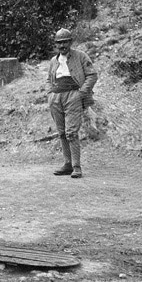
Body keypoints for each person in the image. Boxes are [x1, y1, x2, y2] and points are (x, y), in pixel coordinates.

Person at [47, 27, 98, 179]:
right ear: (55, 44)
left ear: (70, 42)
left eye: (65, 42)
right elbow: (48, 80)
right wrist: (49, 93)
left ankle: (76, 166)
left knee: (71, 132)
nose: (62, 46)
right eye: (59, 43)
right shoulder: (53, 60)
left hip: (73, 95)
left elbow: (92, 75)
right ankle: (67, 164)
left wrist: (82, 92)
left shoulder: (80, 56)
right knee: (62, 132)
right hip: (56, 97)